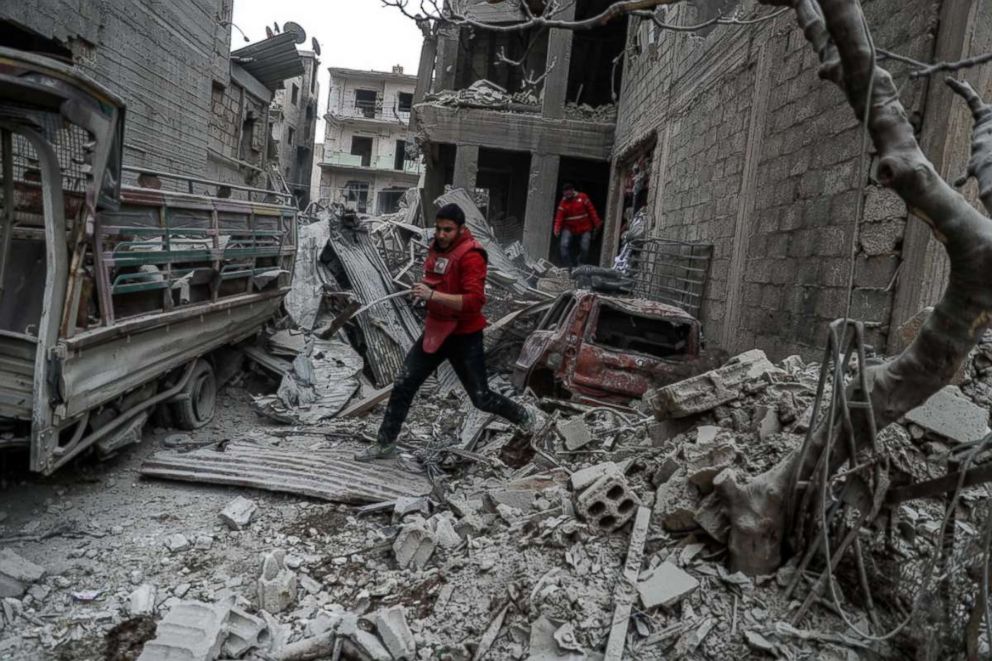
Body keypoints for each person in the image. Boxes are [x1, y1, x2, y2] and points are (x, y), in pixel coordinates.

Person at [355, 202, 537, 461]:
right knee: (404, 383)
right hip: (436, 331)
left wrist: (433, 294)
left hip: (464, 336)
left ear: (460, 229)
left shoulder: (473, 255)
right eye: (439, 229)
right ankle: (385, 443)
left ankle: (524, 416)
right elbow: (437, 280)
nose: (441, 234)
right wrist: (424, 291)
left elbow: (474, 301)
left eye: (448, 230)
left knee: (481, 397)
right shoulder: (437, 249)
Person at [553, 183, 602, 268]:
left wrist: (597, 223)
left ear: (573, 190)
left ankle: (580, 263)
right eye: (565, 192)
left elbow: (592, 211)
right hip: (569, 228)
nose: (567, 194)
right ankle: (569, 267)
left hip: (585, 228)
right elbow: (559, 218)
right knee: (563, 245)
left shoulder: (583, 197)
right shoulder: (563, 203)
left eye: (569, 192)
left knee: (585, 247)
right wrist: (556, 228)